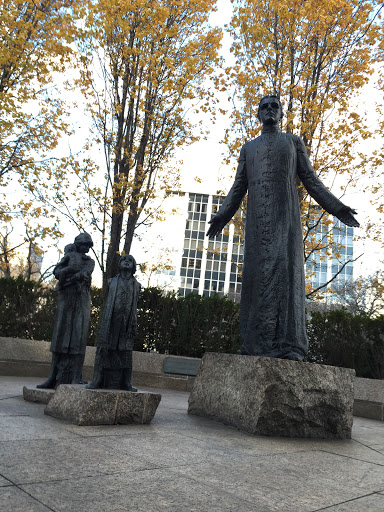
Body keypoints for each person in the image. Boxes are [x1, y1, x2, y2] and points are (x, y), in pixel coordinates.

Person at [207, 95, 359, 361]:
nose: (268, 110)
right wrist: (222, 215)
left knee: (286, 280)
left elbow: (311, 180)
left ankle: (291, 346)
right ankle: (255, 344)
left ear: (280, 114)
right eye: (264, 106)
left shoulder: (292, 142)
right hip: (257, 228)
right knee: (257, 280)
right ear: (258, 114)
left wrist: (337, 207)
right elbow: (238, 187)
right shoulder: (248, 149)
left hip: (285, 223)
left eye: (273, 106)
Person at [37, 232, 95, 388]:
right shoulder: (69, 257)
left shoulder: (90, 261)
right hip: (66, 297)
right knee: (60, 334)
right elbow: (57, 271)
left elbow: (86, 274)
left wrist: (74, 276)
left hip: (82, 298)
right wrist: (69, 270)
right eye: (84, 245)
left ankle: (76, 376)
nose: (86, 249)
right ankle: (52, 377)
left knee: (79, 335)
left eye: (88, 246)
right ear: (78, 243)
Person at [87, 254, 141, 391]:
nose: (127, 262)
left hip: (127, 323)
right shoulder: (111, 282)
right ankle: (97, 378)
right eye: (124, 260)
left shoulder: (137, 285)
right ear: (119, 264)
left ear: (134, 266)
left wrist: (132, 322)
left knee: (126, 352)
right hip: (111, 321)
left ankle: (126, 381)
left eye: (130, 261)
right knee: (104, 349)